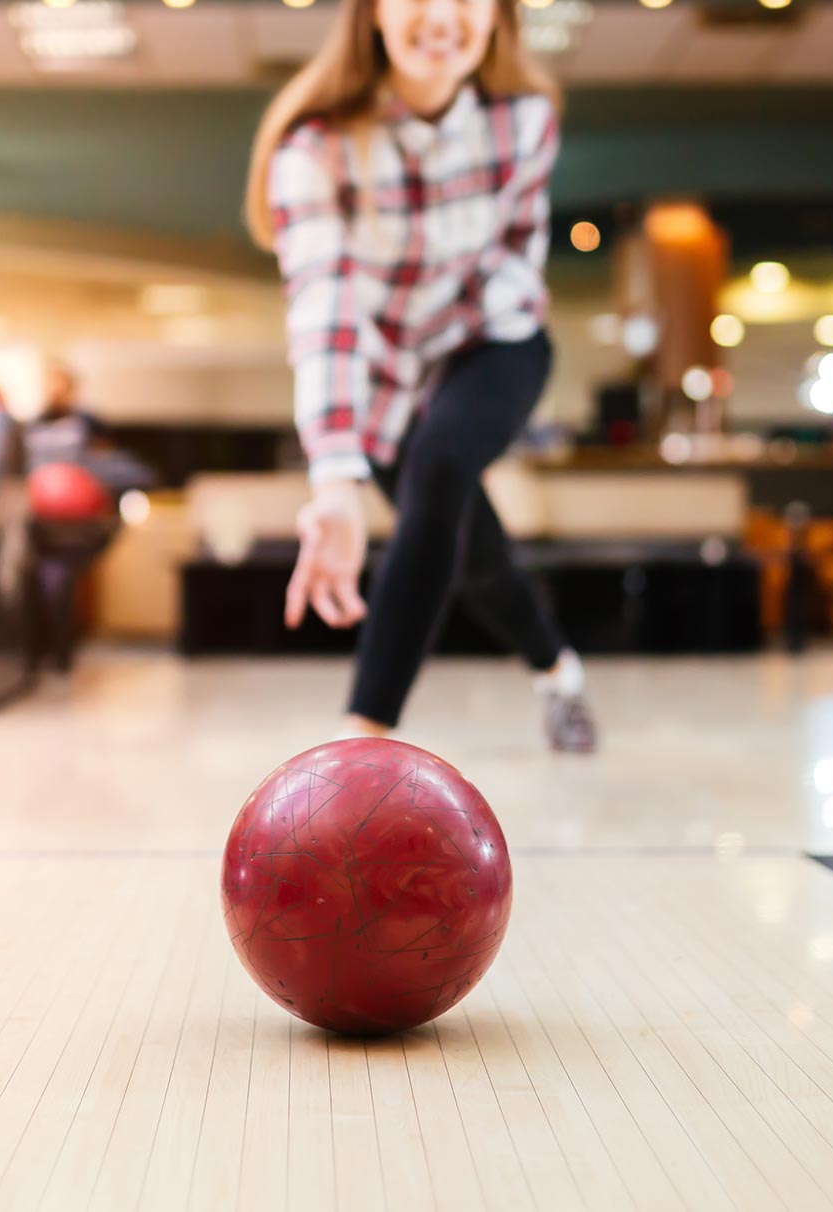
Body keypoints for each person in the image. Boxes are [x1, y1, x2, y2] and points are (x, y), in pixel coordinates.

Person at [244, 0, 596, 751]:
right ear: (372, 12)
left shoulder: (525, 122)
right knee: (477, 557)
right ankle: (559, 673)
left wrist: (449, 385)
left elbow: (515, 257)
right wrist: (334, 480)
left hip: (492, 341)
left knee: (439, 466)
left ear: (499, 15)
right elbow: (326, 310)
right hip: (381, 378)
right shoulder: (315, 150)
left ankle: (361, 739)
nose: (441, 12)